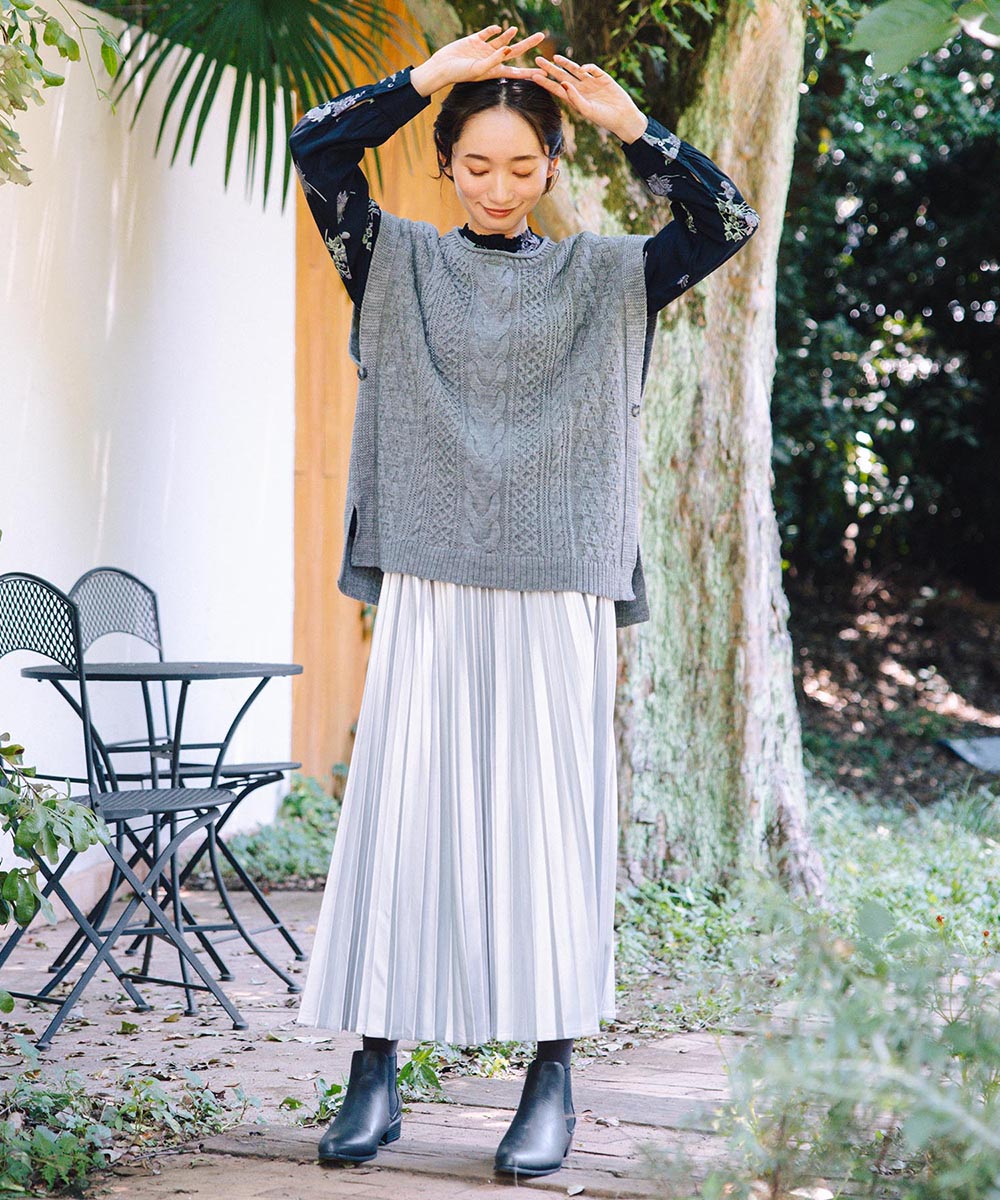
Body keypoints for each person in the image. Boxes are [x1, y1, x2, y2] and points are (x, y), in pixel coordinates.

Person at [288, 23, 759, 1179]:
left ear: (550, 166)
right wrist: (425, 80)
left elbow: (725, 221)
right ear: (445, 165)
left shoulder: (610, 276)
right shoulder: (389, 261)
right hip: (431, 575)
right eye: (475, 164)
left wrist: (632, 129)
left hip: (559, 586)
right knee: (402, 821)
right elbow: (317, 149)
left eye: (519, 165)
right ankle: (373, 1070)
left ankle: (551, 1076)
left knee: (547, 831)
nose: (497, 187)